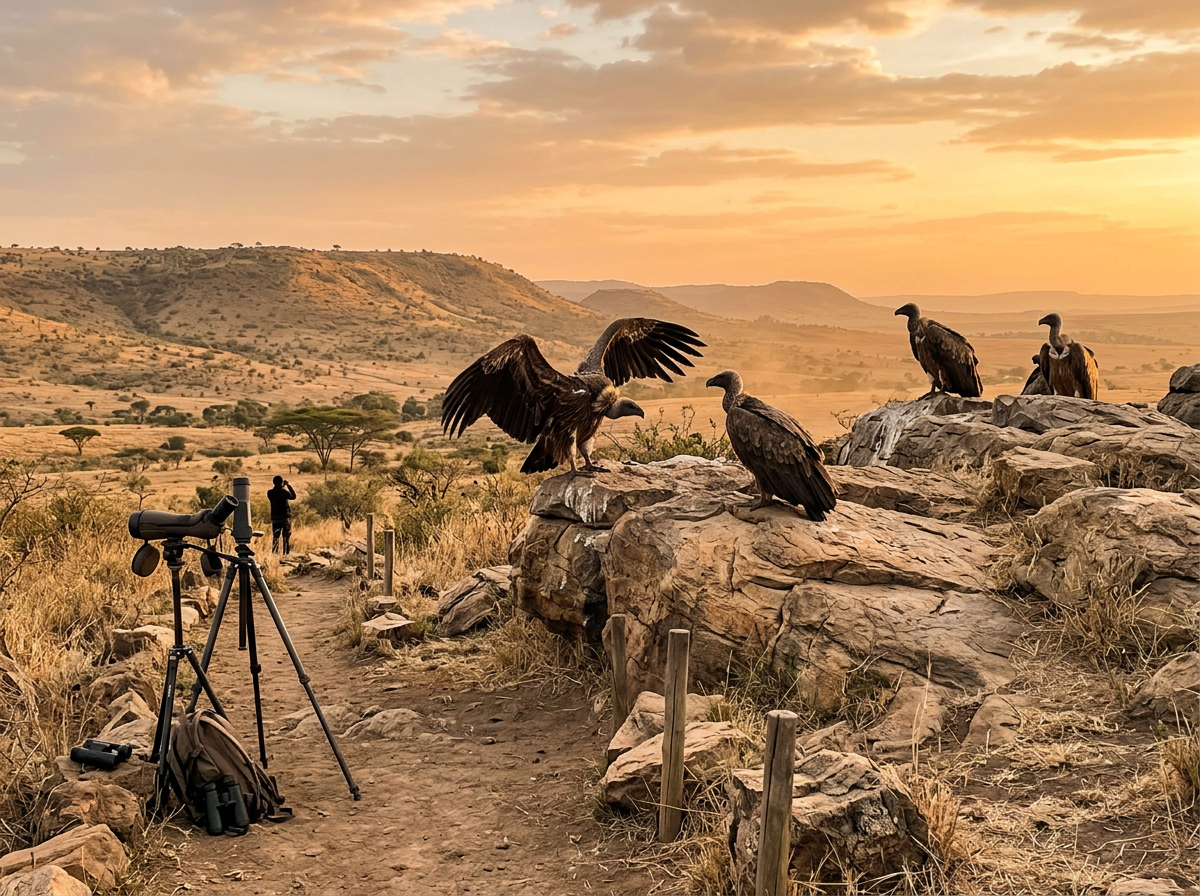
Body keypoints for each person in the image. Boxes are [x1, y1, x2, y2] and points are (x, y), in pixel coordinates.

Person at [266, 476, 296, 554]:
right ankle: (285, 553)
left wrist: (282, 486)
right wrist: (288, 485)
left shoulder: (270, 493)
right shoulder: (284, 492)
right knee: (286, 537)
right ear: (281, 482)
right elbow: (293, 496)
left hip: (275, 518)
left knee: (276, 537)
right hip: (285, 517)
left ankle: (274, 553)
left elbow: (277, 492)